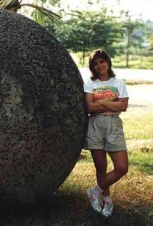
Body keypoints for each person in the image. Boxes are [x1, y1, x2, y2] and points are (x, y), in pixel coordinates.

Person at [84, 49, 129, 217]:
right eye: (95, 64)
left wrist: (100, 102)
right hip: (95, 125)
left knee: (122, 167)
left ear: (108, 63)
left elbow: (123, 107)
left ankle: (95, 191)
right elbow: (89, 107)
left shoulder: (118, 83)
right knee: (101, 167)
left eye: (101, 62)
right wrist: (111, 102)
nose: (99, 66)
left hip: (113, 126)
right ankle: (107, 200)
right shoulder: (90, 83)